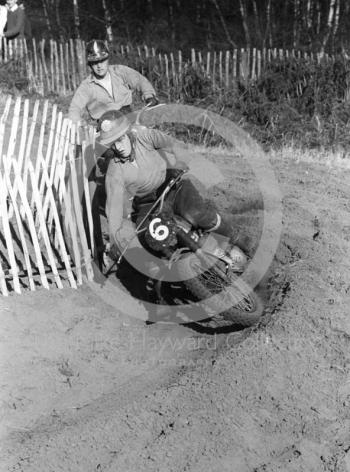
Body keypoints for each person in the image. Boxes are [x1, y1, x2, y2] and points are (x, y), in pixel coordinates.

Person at [96, 109, 247, 267]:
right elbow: (113, 207)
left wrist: (181, 160)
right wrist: (115, 241)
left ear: (127, 132)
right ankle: (180, 269)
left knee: (196, 213)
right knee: (153, 238)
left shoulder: (144, 137)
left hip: (172, 185)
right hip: (146, 204)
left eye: (120, 139)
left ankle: (235, 238)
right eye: (112, 144)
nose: (118, 147)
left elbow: (172, 144)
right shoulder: (114, 170)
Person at [68, 39, 158, 125]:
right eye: (95, 63)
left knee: (144, 134)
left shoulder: (120, 71)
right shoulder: (87, 86)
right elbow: (75, 108)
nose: (99, 66)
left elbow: (140, 80)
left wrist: (149, 95)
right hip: (105, 124)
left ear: (107, 59)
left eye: (102, 61)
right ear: (90, 65)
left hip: (127, 115)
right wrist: (78, 125)